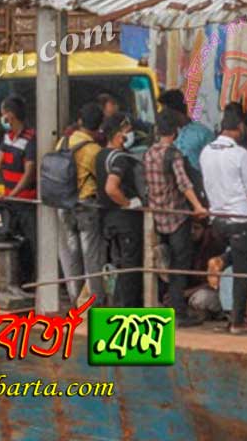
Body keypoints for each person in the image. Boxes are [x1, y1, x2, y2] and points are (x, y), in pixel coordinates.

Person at [144, 110, 210, 324]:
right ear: (175, 131)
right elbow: (184, 184)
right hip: (176, 218)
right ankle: (178, 313)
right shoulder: (173, 155)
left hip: (157, 217)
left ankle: (163, 304)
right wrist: (198, 206)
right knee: (179, 265)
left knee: (163, 263)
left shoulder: (148, 153)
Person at [199, 107, 247, 334]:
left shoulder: (206, 152)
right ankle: (237, 321)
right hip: (241, 217)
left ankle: (222, 260)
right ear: (240, 128)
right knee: (243, 271)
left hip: (218, 220)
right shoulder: (240, 154)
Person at [0, 95, 37, 281]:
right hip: (10, 201)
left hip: (26, 202)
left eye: (2, 114)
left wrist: (13, 194)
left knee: (30, 244)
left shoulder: (30, 139)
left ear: (10, 116)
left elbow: (29, 173)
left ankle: (31, 281)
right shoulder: (7, 138)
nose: (1, 118)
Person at [56, 103, 106, 306]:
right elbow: (101, 178)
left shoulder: (63, 142)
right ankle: (93, 301)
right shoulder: (94, 150)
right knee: (90, 255)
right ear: (99, 125)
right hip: (86, 205)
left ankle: (75, 296)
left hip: (64, 204)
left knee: (70, 253)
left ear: (79, 121)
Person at [96, 114, 144, 308]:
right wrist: (127, 203)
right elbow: (111, 188)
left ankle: (114, 303)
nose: (129, 135)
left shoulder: (101, 155)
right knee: (130, 267)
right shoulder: (121, 159)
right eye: (126, 132)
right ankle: (127, 308)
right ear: (117, 136)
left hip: (107, 219)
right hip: (125, 220)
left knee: (117, 263)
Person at [159, 89, 214, 174]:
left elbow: (213, 164)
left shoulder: (202, 134)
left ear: (175, 111)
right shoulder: (165, 134)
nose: (162, 114)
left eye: (165, 111)